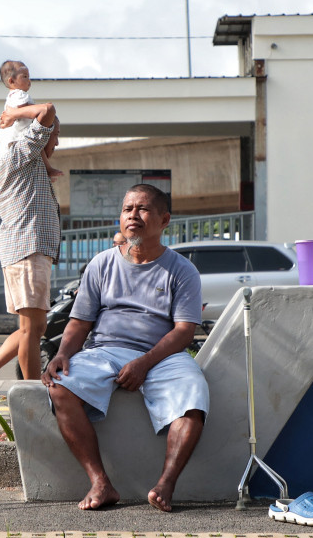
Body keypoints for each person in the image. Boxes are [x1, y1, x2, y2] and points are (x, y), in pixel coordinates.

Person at [42, 184, 207, 512]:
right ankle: (101, 482)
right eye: (127, 208)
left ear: (164, 220)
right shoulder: (101, 264)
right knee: (59, 386)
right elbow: (80, 322)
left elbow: (184, 331)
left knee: (194, 397)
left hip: (162, 355)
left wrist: (145, 363)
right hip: (105, 350)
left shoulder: (182, 270)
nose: (133, 215)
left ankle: (166, 484)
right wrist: (62, 354)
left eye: (143, 209)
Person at [0, 101, 62, 409]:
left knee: (33, 329)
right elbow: (46, 110)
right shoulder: (20, 153)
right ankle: (34, 399)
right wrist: (14, 115)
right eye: (55, 135)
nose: (56, 141)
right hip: (27, 249)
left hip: (28, 250)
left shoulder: (28, 161)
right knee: (31, 331)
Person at [0, 60, 63, 179]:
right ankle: (48, 169)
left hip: (16, 138)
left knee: (39, 149)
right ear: (11, 81)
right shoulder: (19, 94)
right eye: (25, 76)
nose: (29, 80)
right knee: (39, 147)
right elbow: (27, 110)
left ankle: (48, 169)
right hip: (20, 136)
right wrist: (39, 110)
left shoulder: (12, 96)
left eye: (29, 76)